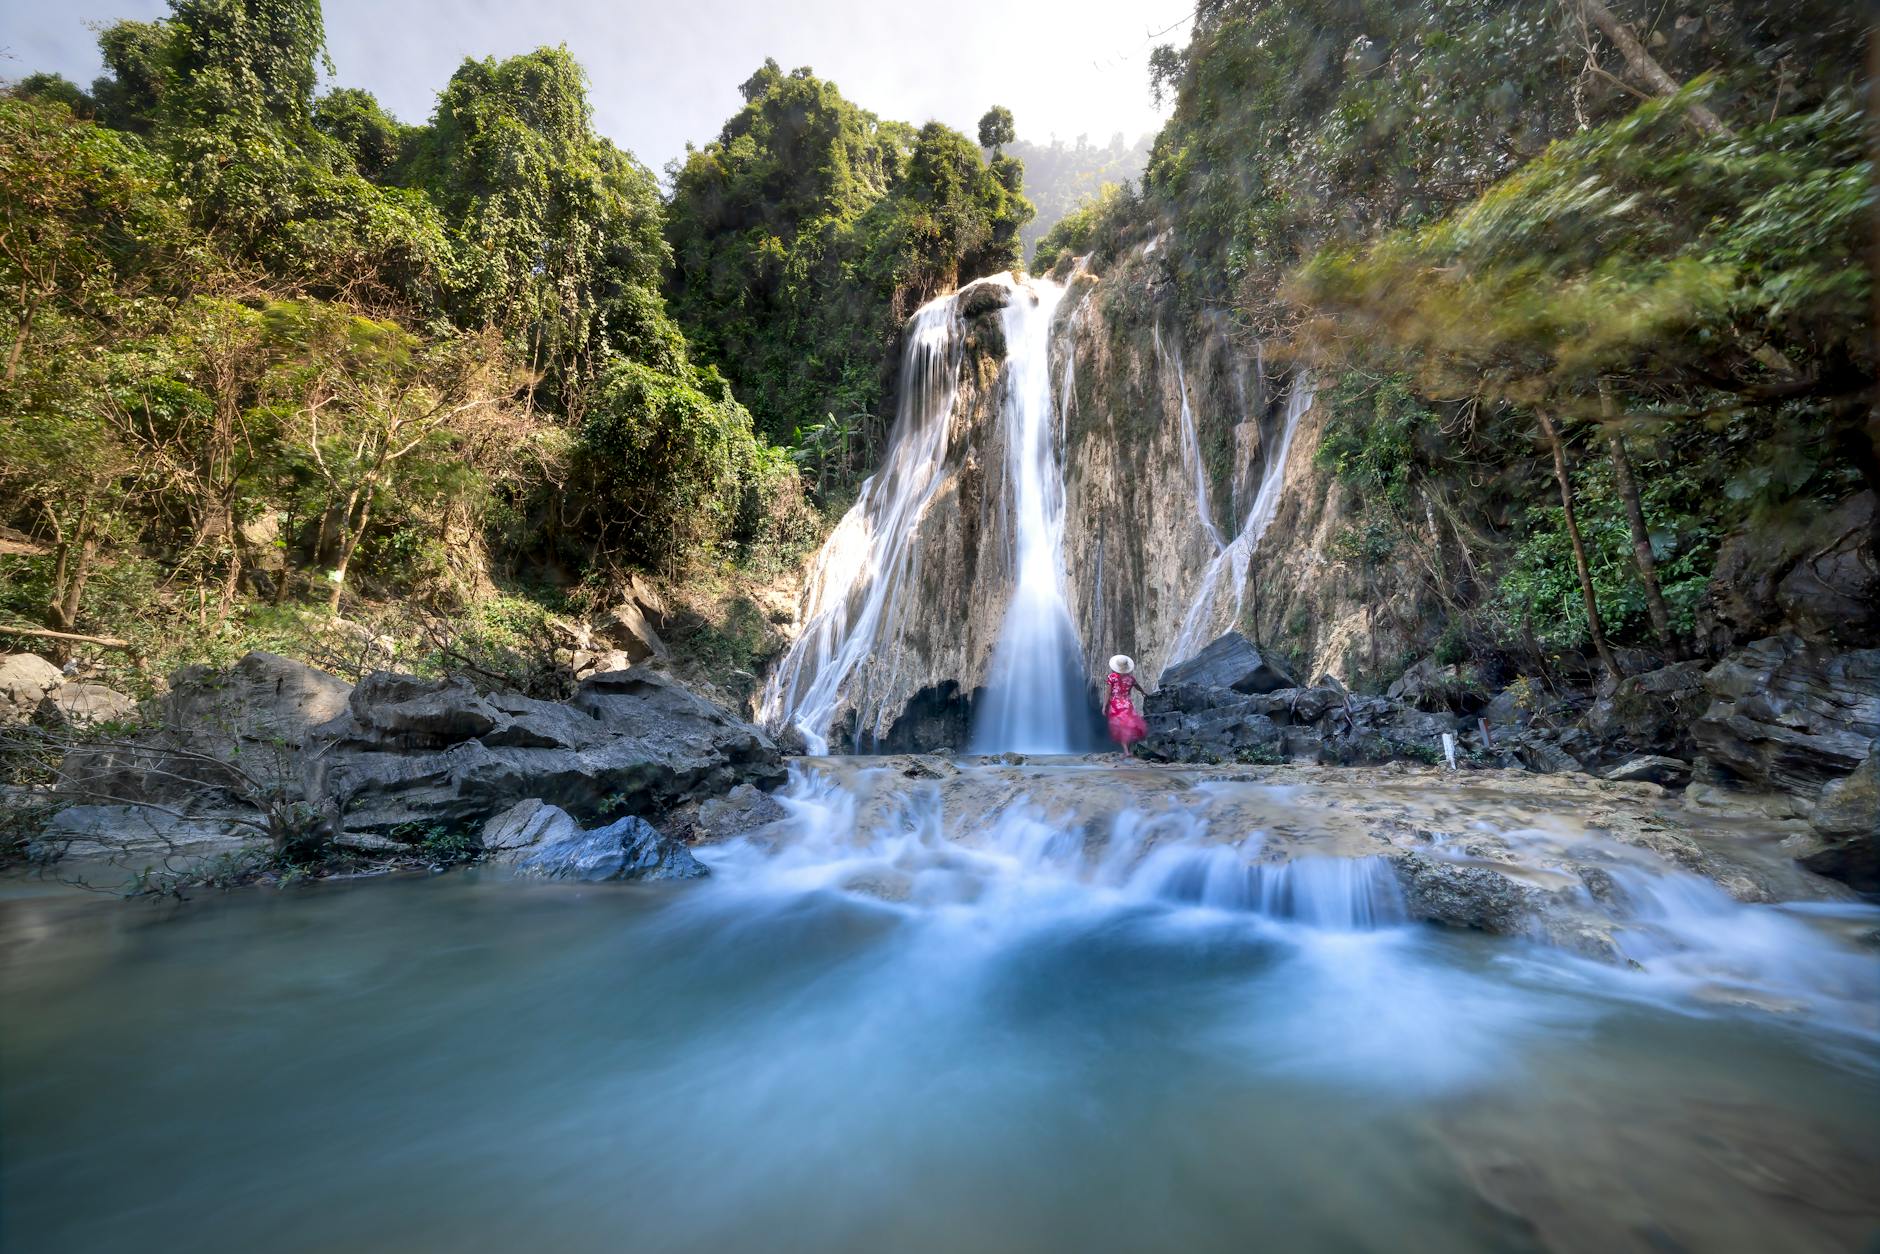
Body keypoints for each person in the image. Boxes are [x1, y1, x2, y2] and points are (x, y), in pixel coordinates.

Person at [1105, 654, 1148, 759]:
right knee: (1128, 726)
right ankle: (1129, 750)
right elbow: (1137, 686)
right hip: (1127, 704)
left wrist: (1104, 706)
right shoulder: (1131, 679)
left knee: (1120, 727)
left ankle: (1126, 751)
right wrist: (1143, 692)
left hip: (1116, 705)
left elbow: (1107, 693)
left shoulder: (1111, 678)